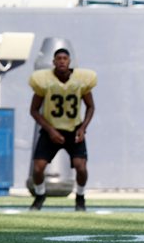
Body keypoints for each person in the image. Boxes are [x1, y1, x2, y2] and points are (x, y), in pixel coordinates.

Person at [29, 48, 97, 212]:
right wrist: (50, 130)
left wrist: (83, 128)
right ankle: (40, 195)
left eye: (64, 58)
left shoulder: (81, 80)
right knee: (37, 168)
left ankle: (80, 197)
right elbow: (33, 110)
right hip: (51, 130)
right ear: (53, 62)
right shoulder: (45, 81)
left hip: (74, 129)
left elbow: (90, 107)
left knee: (81, 167)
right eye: (58, 58)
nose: (61, 61)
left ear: (69, 61)